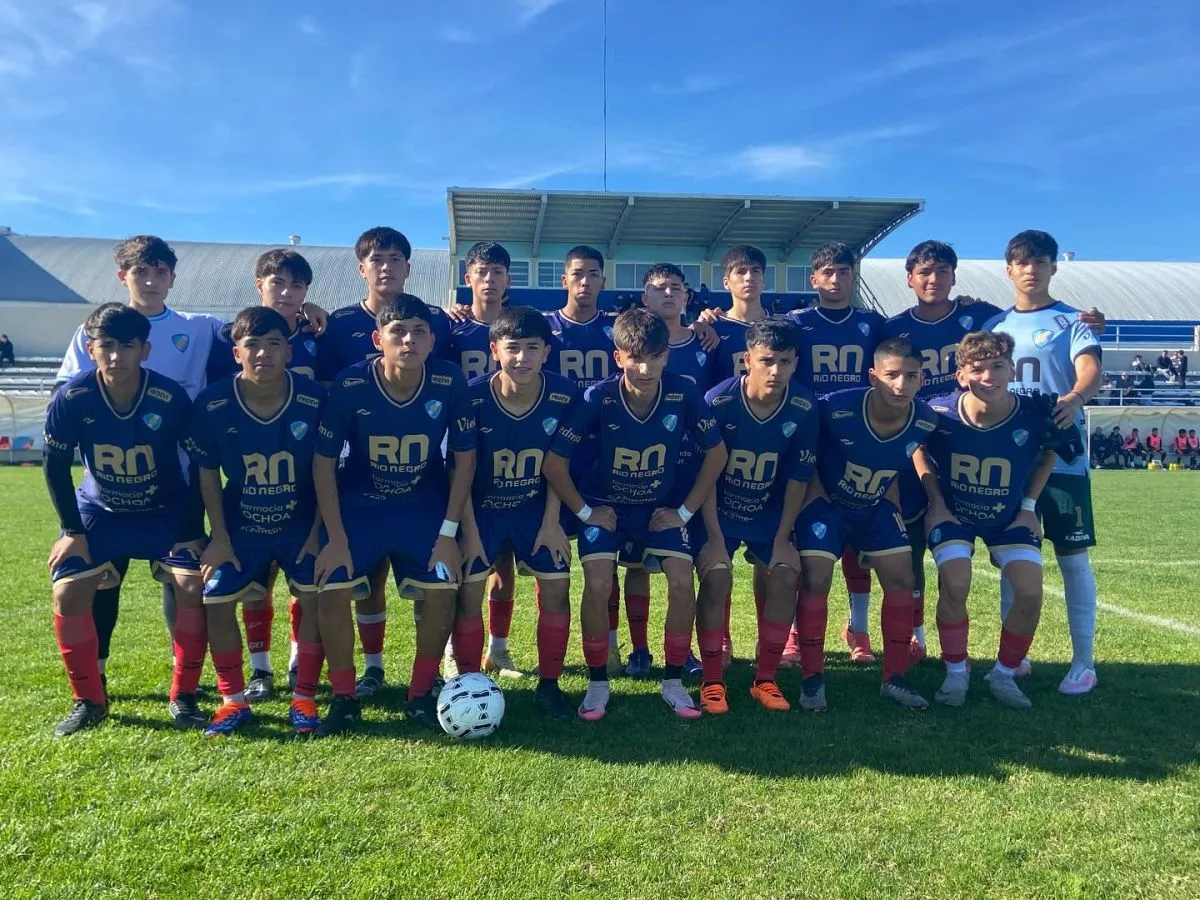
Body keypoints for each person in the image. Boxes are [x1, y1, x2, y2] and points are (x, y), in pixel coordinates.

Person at [543, 308, 727, 720]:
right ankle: (597, 683)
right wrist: (586, 512)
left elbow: (716, 454)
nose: (645, 368)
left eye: (655, 357)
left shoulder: (684, 391)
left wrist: (684, 512)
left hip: (659, 510)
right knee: (597, 583)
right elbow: (554, 463)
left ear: (667, 356)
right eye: (635, 357)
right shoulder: (598, 397)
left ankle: (674, 681)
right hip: (606, 508)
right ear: (618, 357)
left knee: (682, 581)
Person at [311, 294, 476, 735]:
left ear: (432, 340)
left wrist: (448, 533)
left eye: (419, 332)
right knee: (331, 588)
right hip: (361, 507)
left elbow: (464, 458)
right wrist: (336, 537)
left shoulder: (449, 380)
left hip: (422, 507)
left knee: (442, 587)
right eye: (398, 331)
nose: (409, 340)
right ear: (377, 339)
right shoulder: (351, 382)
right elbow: (323, 463)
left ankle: (420, 694)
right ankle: (344, 699)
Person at [43, 304, 206, 735]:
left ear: (145, 350)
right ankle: (88, 699)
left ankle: (184, 696)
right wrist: (72, 531)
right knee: (68, 592)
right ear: (91, 349)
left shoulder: (169, 397)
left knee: (192, 585)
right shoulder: (73, 398)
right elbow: (54, 465)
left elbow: (197, 465)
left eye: (128, 346)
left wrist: (191, 531)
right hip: (101, 513)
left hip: (163, 511)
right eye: (107, 346)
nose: (116, 356)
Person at [315, 227, 451, 699]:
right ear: (362, 269)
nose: (387, 267)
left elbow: (446, 383)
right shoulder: (337, 325)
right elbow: (324, 389)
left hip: (420, 476)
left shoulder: (437, 323)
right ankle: (368, 671)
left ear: (408, 267)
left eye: (396, 259)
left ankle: (425, 681)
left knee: (432, 584)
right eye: (378, 259)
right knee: (361, 579)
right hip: (359, 471)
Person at [187, 307, 325, 736]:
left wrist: (318, 533)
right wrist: (219, 537)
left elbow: (328, 471)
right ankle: (233, 700)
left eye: (273, 344)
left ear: (289, 351)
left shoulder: (314, 398)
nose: (263, 353)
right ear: (236, 353)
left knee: (316, 597)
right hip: (240, 526)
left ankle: (304, 696)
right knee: (215, 599)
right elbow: (207, 472)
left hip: (300, 523)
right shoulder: (213, 402)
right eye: (252, 345)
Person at [914, 331, 1062, 709]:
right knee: (955, 583)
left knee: (1030, 592)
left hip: (1009, 517)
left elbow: (1050, 453)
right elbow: (917, 449)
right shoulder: (938, 411)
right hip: (955, 515)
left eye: (997, 366)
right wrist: (936, 503)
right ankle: (956, 672)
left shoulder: (1035, 412)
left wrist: (1028, 507)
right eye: (977, 369)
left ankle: (1003, 674)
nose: (988, 376)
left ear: (1012, 369)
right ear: (961, 375)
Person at [983, 229, 1102, 695]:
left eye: (1039, 261)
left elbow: (1090, 370)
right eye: (1022, 262)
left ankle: (1084, 662)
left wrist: (1074, 397)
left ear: (1053, 267)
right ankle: (1015, 657)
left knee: (1072, 556)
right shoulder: (994, 324)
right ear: (1008, 269)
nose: (1030, 269)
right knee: (1014, 556)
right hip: (1012, 458)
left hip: (1063, 457)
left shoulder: (1073, 320)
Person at [792, 337, 937, 710]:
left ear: (922, 379)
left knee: (902, 578)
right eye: (892, 375)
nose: (901, 384)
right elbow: (804, 449)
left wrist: (893, 506)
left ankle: (895, 678)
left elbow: (895, 463)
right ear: (873, 376)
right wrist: (812, 497)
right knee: (816, 578)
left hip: (874, 505)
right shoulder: (835, 407)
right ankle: (812, 679)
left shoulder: (925, 419)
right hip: (828, 504)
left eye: (911, 376)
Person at [879, 239, 1006, 663]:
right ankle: (915, 635)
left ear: (954, 277)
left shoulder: (981, 317)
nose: (933, 279)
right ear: (910, 279)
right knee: (910, 539)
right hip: (913, 444)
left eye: (942, 272)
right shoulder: (893, 327)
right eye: (925, 272)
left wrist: (1085, 321)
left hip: (968, 442)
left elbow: (1026, 323)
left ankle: (1013, 648)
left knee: (990, 542)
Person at [206, 247, 323, 693]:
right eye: (278, 283)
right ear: (260, 286)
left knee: (305, 583)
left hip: (302, 467)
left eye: (297, 285)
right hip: (250, 473)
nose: (287, 293)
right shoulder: (229, 336)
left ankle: (297, 661)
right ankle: (259, 670)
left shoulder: (319, 331)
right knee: (257, 582)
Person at [451, 307, 577, 718]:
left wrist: (553, 523)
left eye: (532, 348)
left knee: (556, 585)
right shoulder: (470, 396)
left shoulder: (563, 394)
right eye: (513, 348)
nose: (522, 358)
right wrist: (469, 534)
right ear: (494, 350)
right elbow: (461, 472)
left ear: (546, 352)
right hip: (481, 510)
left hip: (534, 508)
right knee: (470, 589)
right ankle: (468, 683)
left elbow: (559, 464)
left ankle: (549, 686)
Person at [693, 317, 817, 713]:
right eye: (767, 360)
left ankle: (765, 679)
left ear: (795, 363)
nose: (776, 370)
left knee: (784, 575)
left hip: (768, 513)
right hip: (719, 513)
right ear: (747, 360)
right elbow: (707, 474)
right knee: (716, 577)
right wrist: (714, 539)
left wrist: (783, 538)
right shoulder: (718, 401)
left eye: (785, 361)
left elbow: (798, 477)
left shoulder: (803, 406)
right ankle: (713, 681)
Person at [788, 242, 887, 667]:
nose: (835, 279)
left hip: (860, 439)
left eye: (843, 271)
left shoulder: (873, 324)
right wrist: (708, 317)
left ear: (853, 276)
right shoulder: (796, 322)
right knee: (805, 539)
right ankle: (794, 633)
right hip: (811, 438)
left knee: (855, 539)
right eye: (827, 272)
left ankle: (858, 629)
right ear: (814, 279)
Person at [627, 263, 718, 676]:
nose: (668, 293)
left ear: (687, 296)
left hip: (689, 469)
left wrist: (708, 322)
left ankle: (688, 650)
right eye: (658, 288)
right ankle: (639, 648)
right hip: (638, 468)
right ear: (644, 297)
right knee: (634, 565)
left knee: (688, 562)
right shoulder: (632, 340)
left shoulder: (706, 341)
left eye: (676, 287)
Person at [442, 241, 523, 679]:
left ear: (508, 279)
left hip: (510, 447)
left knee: (503, 560)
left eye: (497, 272)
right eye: (481, 271)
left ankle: (499, 650)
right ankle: (454, 650)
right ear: (468, 277)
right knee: (461, 556)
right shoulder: (451, 328)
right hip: (460, 450)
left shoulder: (522, 325)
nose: (489, 279)